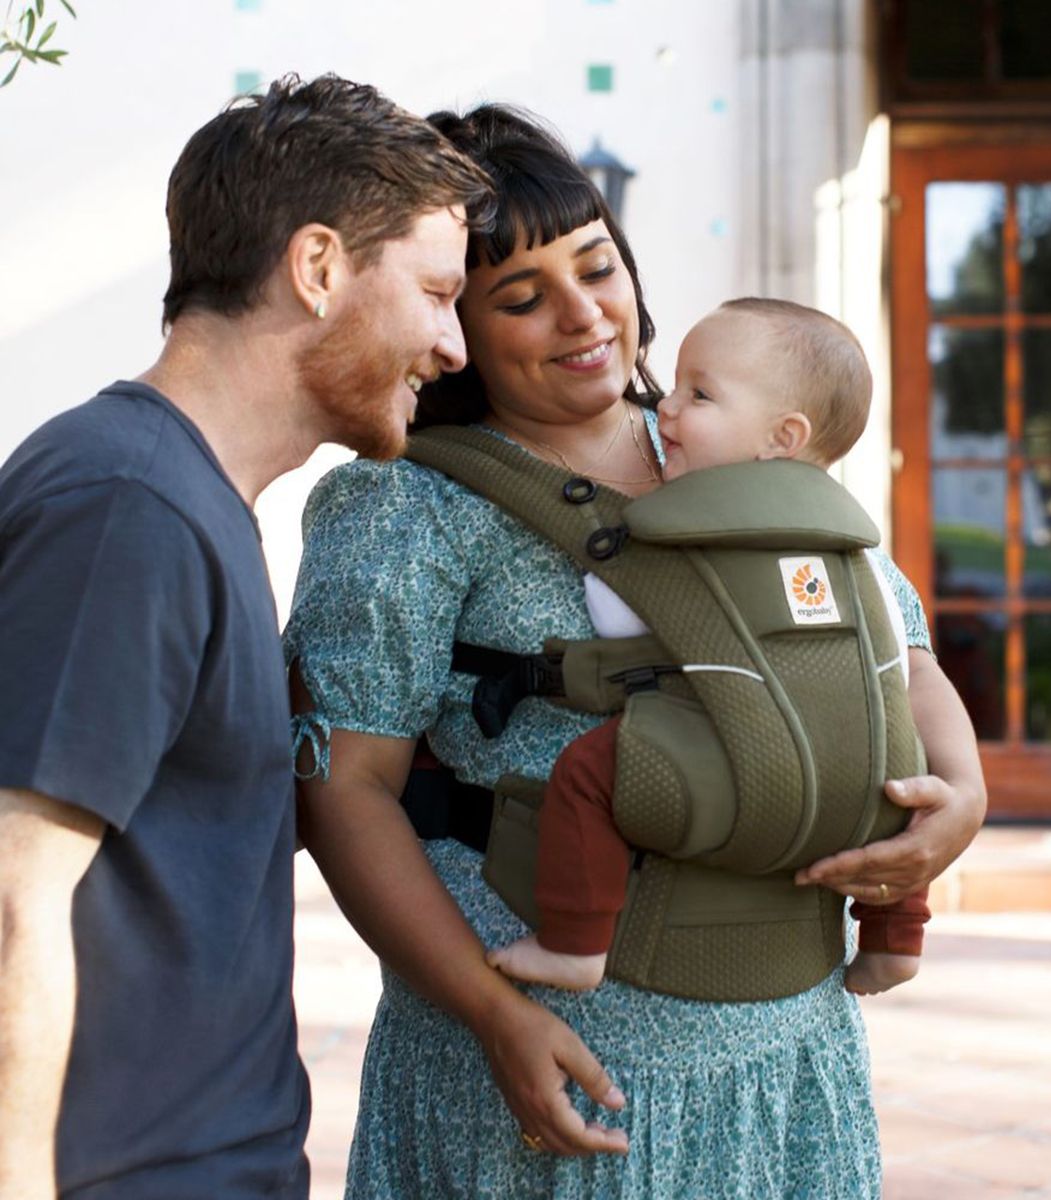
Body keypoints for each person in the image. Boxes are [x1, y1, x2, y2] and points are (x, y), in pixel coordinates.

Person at [285, 103, 986, 1198]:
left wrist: (966, 797)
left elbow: (894, 643)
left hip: (788, 1062)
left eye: (597, 266)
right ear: (456, 326)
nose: (584, 316)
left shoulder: (741, 445)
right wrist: (493, 1017)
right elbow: (344, 788)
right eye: (522, 297)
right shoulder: (408, 509)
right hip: (539, 1072)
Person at [0, 73, 492, 1200]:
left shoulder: (179, 493)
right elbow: (15, 895)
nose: (452, 345)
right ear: (318, 268)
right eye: (435, 292)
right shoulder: (128, 507)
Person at [487, 297, 932, 997]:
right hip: (865, 784)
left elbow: (614, 618)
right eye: (674, 385)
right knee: (908, 776)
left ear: (782, 436)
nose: (665, 407)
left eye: (699, 395)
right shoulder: (852, 547)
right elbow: (892, 652)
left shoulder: (677, 531)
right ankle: (895, 938)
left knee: (586, 775)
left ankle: (574, 943)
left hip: (735, 771)